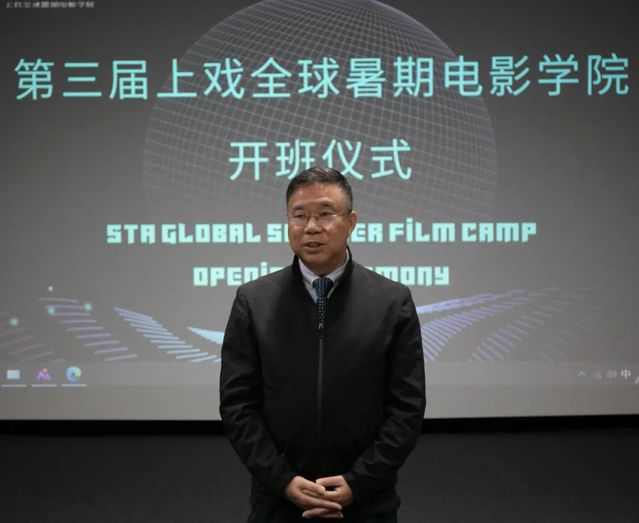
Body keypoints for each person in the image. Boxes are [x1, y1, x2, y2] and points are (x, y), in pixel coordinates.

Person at [219, 166, 426, 522]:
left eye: (326, 214)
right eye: (299, 215)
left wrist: (358, 483)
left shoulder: (392, 302)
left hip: (366, 502)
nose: (311, 227)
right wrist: (282, 480)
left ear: (351, 221)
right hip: (279, 502)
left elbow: (406, 407)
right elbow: (238, 404)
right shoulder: (254, 302)